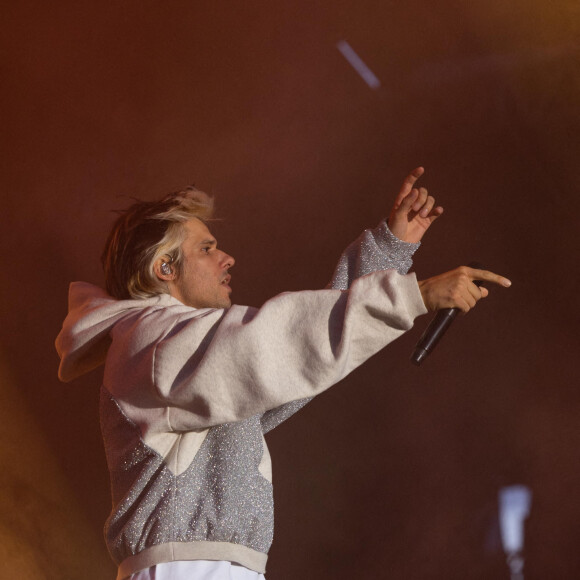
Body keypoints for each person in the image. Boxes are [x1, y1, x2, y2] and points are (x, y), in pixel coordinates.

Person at [55, 168, 511, 580]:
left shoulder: (186, 355)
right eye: (207, 248)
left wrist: (389, 251)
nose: (227, 258)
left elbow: (294, 363)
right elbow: (272, 345)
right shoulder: (149, 342)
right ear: (165, 268)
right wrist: (413, 295)